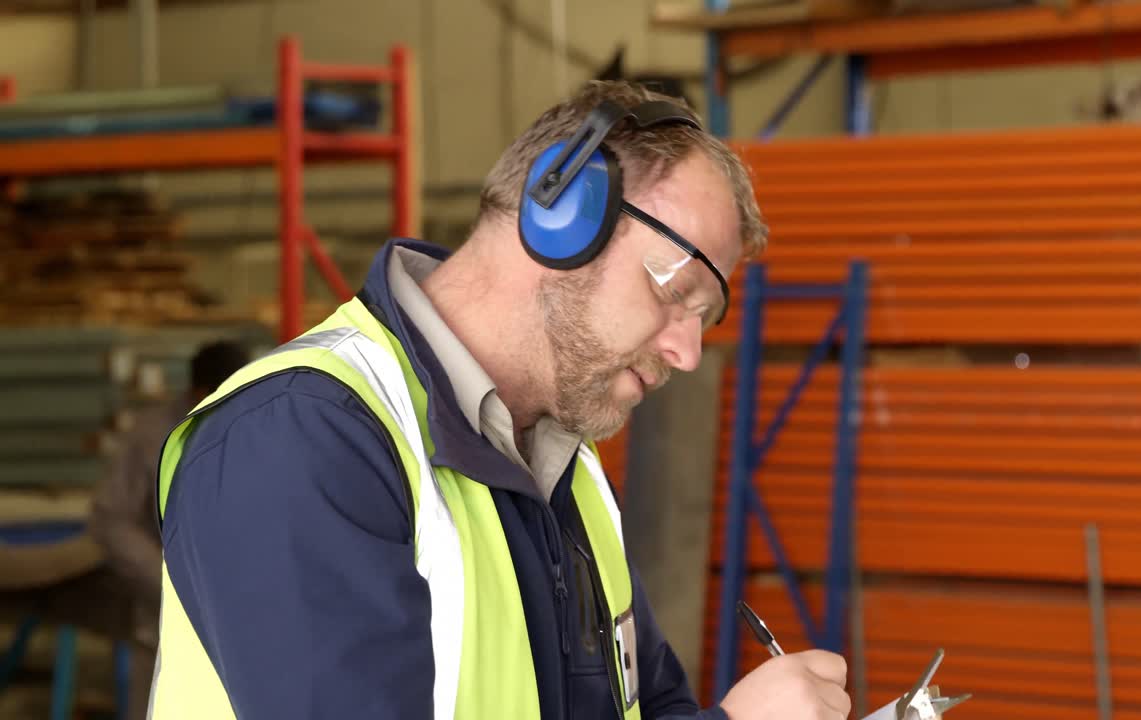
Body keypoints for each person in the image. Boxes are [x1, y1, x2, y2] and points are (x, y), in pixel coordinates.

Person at [147, 81, 852, 720]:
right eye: (675, 293)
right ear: (561, 216)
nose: (687, 353)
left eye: (705, 319)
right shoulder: (296, 440)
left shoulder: (569, 474)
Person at [89, 339, 249, 720]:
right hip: (167, 628)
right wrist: (170, 579)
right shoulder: (151, 437)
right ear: (198, 393)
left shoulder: (259, 425)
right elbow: (111, 520)